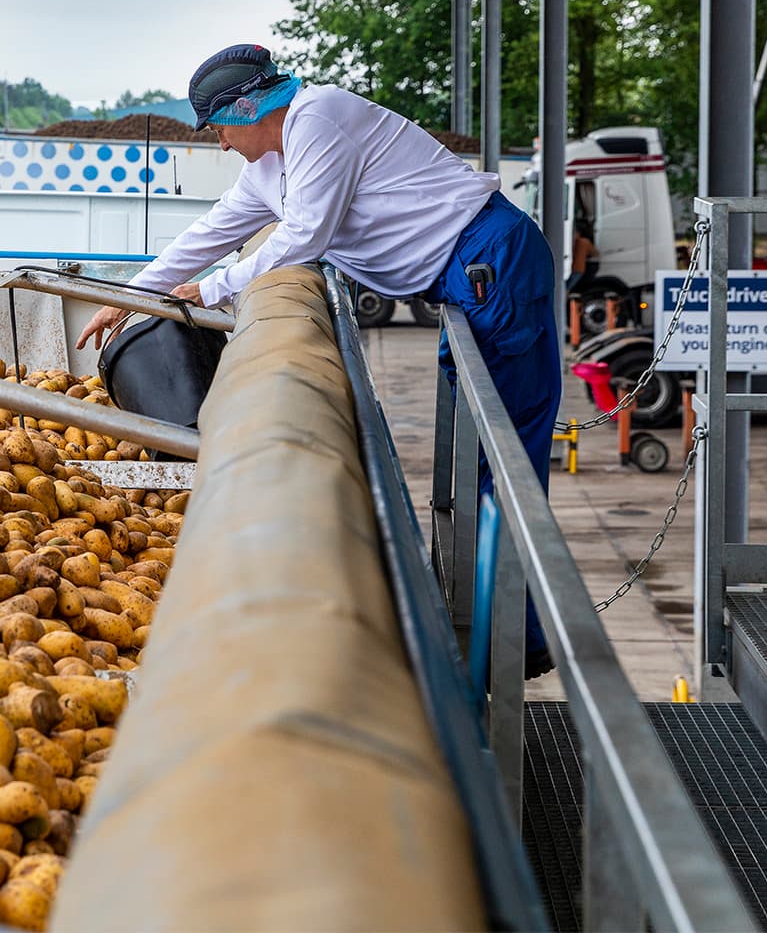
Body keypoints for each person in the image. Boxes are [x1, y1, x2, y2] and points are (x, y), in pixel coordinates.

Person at [76, 43, 562, 677]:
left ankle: (518, 643)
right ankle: (488, 626)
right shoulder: (269, 167)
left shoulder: (318, 119)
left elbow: (307, 234)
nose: (221, 145)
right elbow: (207, 234)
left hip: (491, 263)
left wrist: (213, 289)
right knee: (475, 453)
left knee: (504, 455)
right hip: (462, 280)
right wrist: (127, 297)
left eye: (220, 128)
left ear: (248, 109)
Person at [567, 219, 600, 296]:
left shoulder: (571, 242)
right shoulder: (585, 242)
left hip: (570, 268)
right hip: (578, 270)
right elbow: (595, 254)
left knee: (566, 288)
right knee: (567, 289)